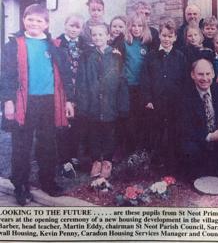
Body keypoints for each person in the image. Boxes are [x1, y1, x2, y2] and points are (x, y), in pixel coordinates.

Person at [0, 4, 74, 205]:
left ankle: (48, 181)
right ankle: (21, 186)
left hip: (49, 101)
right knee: (21, 145)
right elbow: (6, 76)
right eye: (30, 19)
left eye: (39, 20)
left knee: (48, 144)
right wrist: (8, 101)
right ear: (24, 20)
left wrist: (69, 100)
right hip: (24, 103)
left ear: (46, 24)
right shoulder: (14, 44)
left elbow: (66, 74)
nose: (34, 23)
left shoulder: (54, 46)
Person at [76, 23, 129, 179]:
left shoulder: (115, 56)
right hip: (92, 103)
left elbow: (122, 81)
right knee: (94, 133)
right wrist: (83, 104)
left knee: (109, 133)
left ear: (108, 36)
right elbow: (81, 81)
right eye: (94, 35)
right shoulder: (86, 56)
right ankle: (95, 161)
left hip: (110, 103)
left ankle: (107, 160)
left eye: (101, 35)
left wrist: (122, 105)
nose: (97, 38)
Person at [180, 59, 218, 186]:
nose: (205, 78)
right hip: (198, 138)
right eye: (200, 74)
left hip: (216, 134)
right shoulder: (184, 94)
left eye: (208, 74)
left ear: (213, 74)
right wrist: (210, 137)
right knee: (190, 148)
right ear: (192, 75)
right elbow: (185, 128)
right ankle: (197, 175)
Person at [140, 19, 188, 174]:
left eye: (170, 36)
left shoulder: (180, 57)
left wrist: (181, 101)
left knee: (173, 134)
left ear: (175, 38)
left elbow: (184, 80)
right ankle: (155, 165)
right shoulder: (151, 56)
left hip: (174, 103)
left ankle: (172, 167)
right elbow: (145, 79)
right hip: (156, 103)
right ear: (159, 36)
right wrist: (147, 99)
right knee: (156, 134)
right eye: (164, 35)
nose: (167, 39)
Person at [56, 14, 89, 176]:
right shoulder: (57, 43)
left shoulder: (85, 45)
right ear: (65, 25)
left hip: (80, 90)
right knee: (64, 125)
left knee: (78, 124)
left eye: (77, 27)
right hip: (63, 90)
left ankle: (74, 155)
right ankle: (64, 159)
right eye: (71, 26)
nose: (74, 30)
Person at [121, 13, 152, 155]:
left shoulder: (147, 43)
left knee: (143, 119)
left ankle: (142, 151)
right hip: (129, 87)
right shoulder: (125, 42)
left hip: (143, 87)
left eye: (140, 25)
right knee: (130, 119)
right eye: (133, 25)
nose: (136, 28)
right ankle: (130, 151)